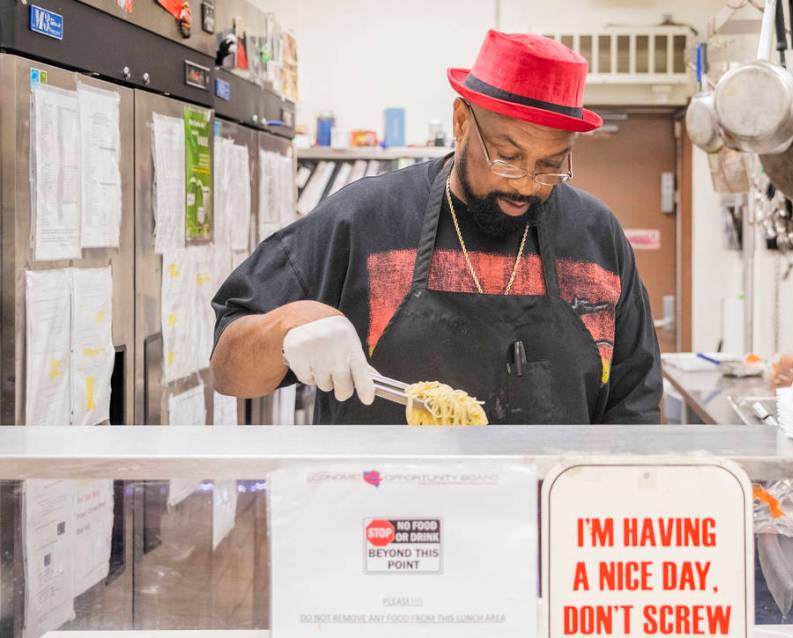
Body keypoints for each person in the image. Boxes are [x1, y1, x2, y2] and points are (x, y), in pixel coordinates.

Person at [211, 30, 662, 424]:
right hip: (383, 511)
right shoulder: (364, 218)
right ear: (462, 122)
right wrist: (290, 325)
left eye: (549, 165)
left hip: (547, 510)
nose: (525, 183)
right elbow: (228, 371)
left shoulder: (597, 235)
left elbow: (635, 406)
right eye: (506, 156)